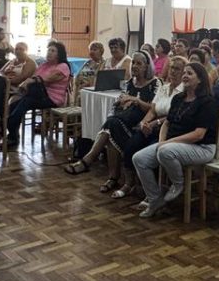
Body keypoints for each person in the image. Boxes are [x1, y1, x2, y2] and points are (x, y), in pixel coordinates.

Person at [132, 62, 219, 218]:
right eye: (184, 72)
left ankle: (178, 184)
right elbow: (167, 123)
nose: (185, 76)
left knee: (166, 151)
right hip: (173, 145)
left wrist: (167, 144)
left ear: (200, 79)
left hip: (202, 147)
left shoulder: (207, 102)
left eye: (190, 73)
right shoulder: (179, 98)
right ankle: (155, 200)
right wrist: (161, 141)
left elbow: (198, 134)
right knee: (139, 158)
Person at [65, 51, 160, 192]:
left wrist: (136, 101)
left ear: (147, 66)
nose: (134, 66)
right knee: (111, 127)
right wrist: (121, 103)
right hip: (124, 121)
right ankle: (110, 176)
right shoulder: (129, 83)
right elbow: (120, 105)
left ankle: (91, 164)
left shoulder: (155, 83)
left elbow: (155, 109)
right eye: (133, 62)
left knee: (111, 126)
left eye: (139, 63)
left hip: (139, 127)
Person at [113, 56, 186, 201]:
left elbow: (174, 115)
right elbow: (152, 110)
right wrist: (144, 123)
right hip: (153, 125)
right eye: (171, 67)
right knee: (131, 144)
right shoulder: (164, 88)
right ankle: (129, 183)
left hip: (170, 129)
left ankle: (153, 192)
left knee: (151, 152)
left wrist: (154, 123)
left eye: (177, 68)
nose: (173, 71)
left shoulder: (184, 91)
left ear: (184, 71)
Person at [6, 40, 71, 146]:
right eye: (49, 50)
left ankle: (11, 130)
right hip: (38, 95)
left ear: (59, 54)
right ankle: (13, 134)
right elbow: (34, 77)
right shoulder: (44, 65)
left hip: (53, 99)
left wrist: (30, 81)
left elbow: (47, 79)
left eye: (53, 51)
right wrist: (31, 81)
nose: (49, 52)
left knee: (25, 100)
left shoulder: (63, 66)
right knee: (14, 104)